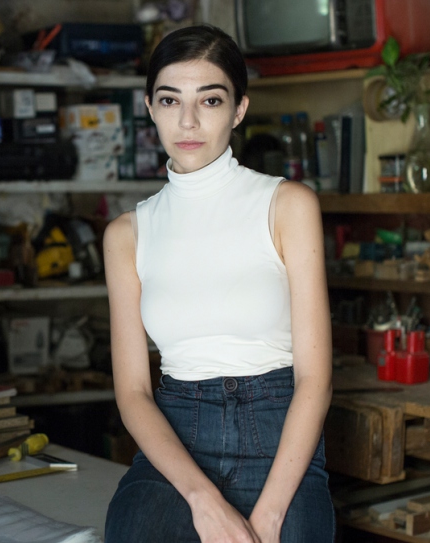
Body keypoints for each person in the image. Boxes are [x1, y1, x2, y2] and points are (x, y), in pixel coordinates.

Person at [102, 25, 335, 543]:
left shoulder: (287, 205)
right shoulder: (126, 235)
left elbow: (315, 379)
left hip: (279, 436)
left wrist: (269, 516)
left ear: (239, 109)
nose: (187, 121)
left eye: (209, 99)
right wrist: (204, 501)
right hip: (177, 438)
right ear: (150, 107)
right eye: (170, 100)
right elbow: (134, 393)